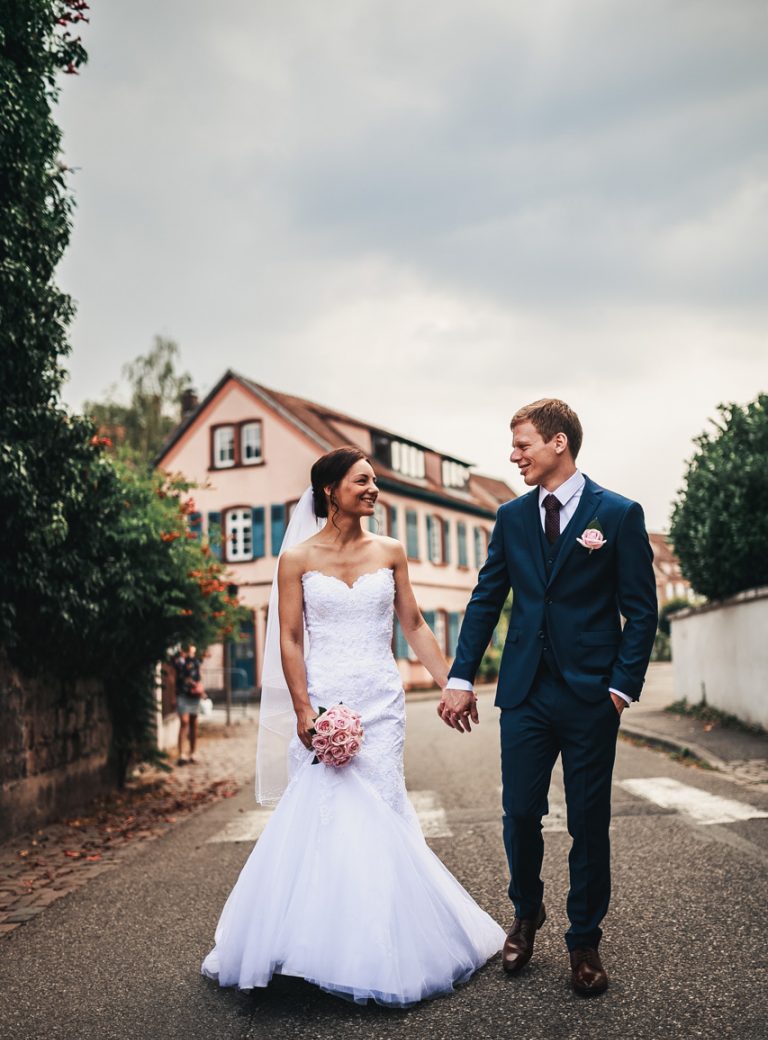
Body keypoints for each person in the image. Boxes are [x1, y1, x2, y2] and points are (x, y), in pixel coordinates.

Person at [201, 447, 504, 1006]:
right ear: (330, 491)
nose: (373, 490)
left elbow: (411, 623)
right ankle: (309, 942)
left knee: (381, 808)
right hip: (322, 700)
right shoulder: (294, 559)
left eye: (373, 481)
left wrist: (452, 682)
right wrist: (301, 709)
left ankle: (381, 941)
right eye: (361, 481)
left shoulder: (390, 551)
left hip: (381, 703)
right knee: (324, 813)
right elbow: (289, 638)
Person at [439, 399, 657, 996]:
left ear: (558, 443)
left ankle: (584, 938)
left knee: (588, 821)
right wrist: (461, 677)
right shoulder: (511, 517)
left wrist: (619, 689)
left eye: (523, 444)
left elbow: (640, 611)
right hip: (526, 693)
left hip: (592, 697)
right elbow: (487, 599)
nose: (514, 456)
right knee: (519, 814)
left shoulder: (617, 514)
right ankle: (525, 913)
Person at [174, 643, 204, 766]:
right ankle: (181, 754)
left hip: (194, 695)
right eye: (190, 648)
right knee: (184, 721)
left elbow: (199, 676)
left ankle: (193, 752)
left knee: (194, 723)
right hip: (183, 694)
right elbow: (177, 675)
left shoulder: (196, 661)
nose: (192, 650)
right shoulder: (179, 661)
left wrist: (201, 689)